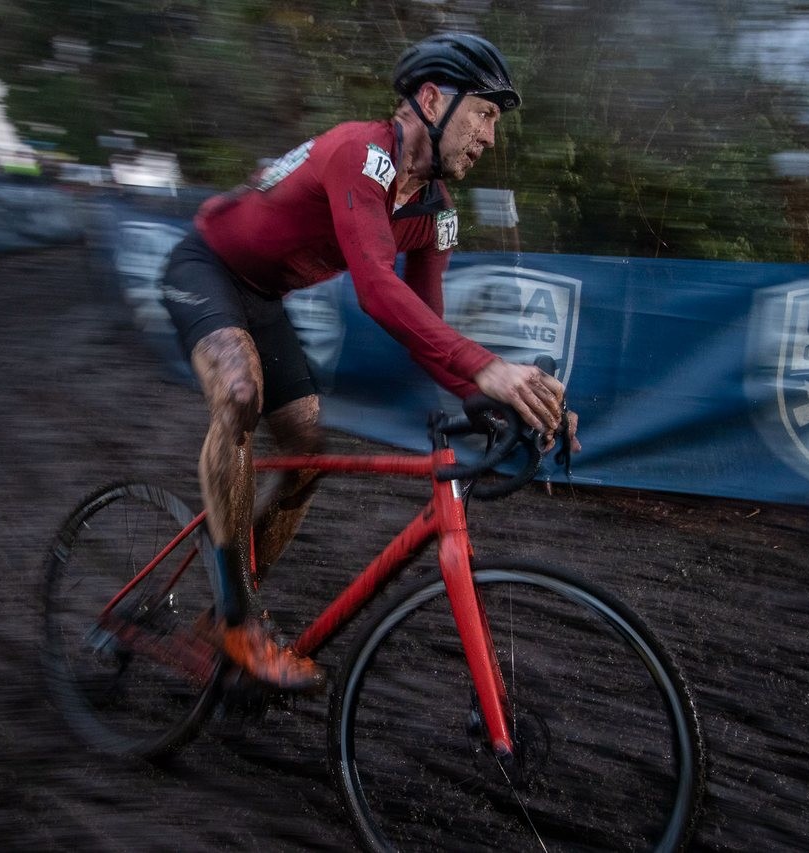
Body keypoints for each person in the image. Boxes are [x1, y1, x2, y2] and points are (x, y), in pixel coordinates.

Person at [161, 32, 579, 691]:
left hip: (264, 295)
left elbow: (426, 322)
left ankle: (223, 607)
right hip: (206, 265)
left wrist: (486, 391)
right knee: (239, 393)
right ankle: (238, 622)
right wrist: (488, 367)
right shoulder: (361, 153)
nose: (490, 137)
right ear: (432, 100)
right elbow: (377, 291)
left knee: (305, 451)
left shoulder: (439, 211)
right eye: (485, 114)